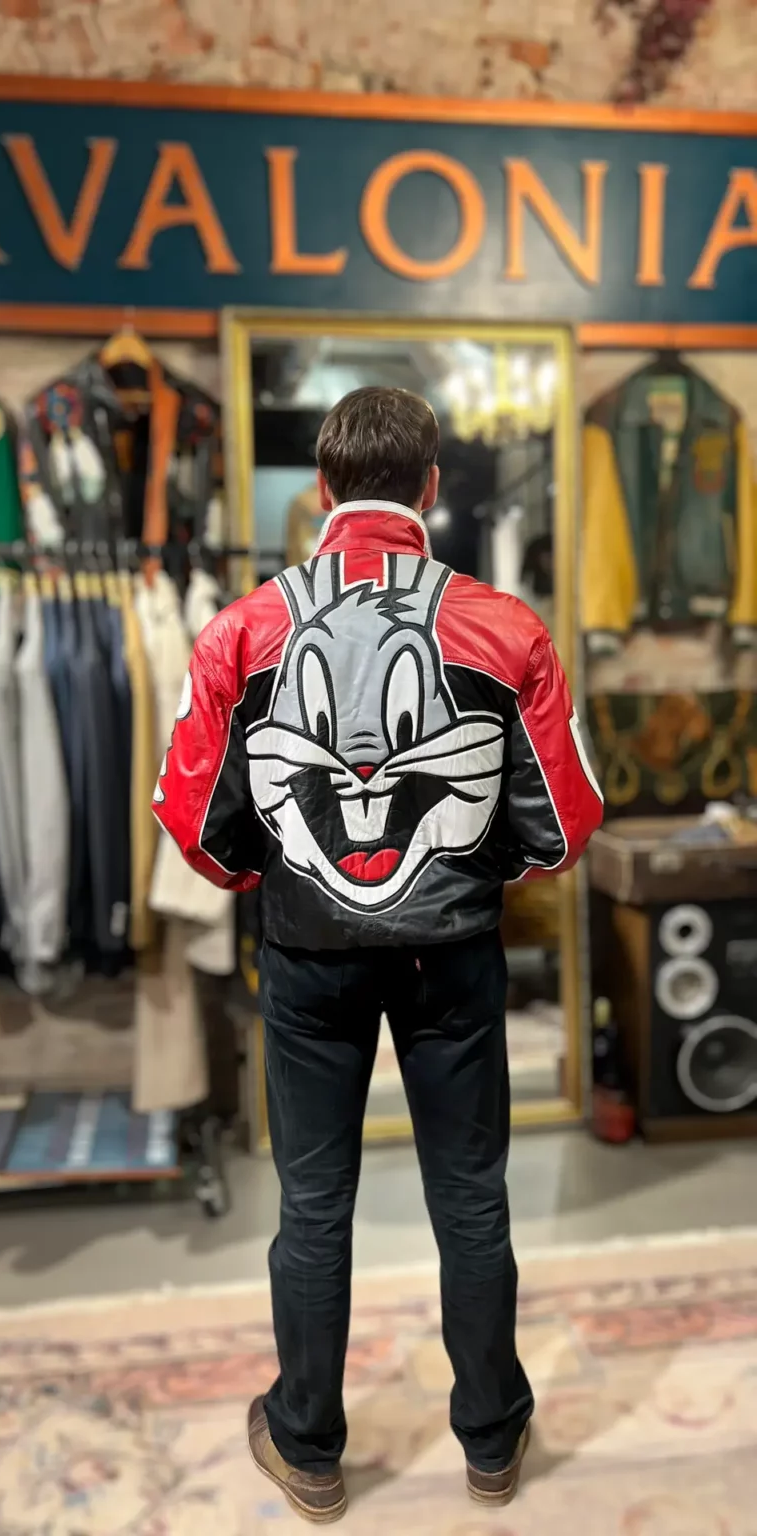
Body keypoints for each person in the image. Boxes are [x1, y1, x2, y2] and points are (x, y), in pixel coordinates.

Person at [154, 386, 604, 1523]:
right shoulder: (505, 628)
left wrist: (277, 877)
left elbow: (191, 821)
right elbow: (565, 825)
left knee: (313, 1204)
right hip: (453, 956)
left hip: (307, 960)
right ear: (431, 488)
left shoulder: (244, 629)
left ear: (322, 488)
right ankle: (492, 1440)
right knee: (472, 1198)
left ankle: (308, 1447)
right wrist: (470, 868)